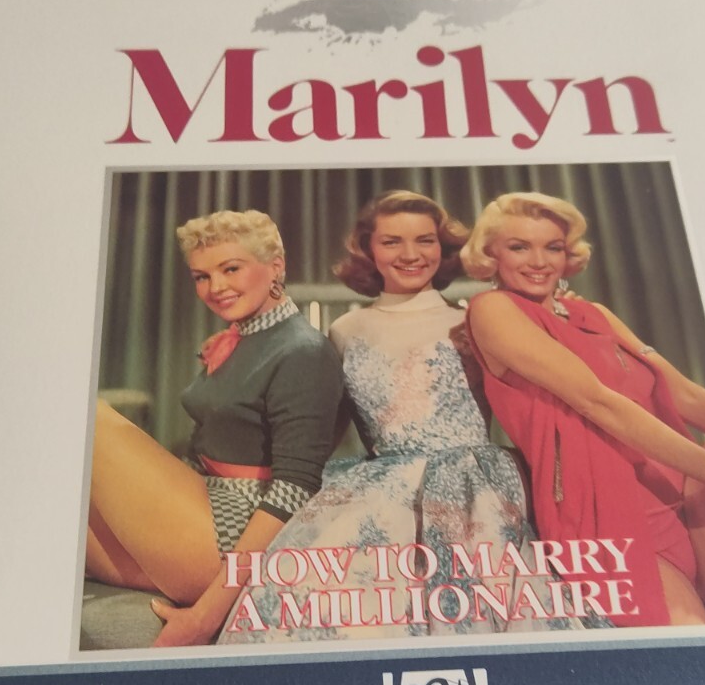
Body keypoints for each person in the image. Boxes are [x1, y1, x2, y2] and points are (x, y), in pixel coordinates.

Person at [222, 191, 576, 641]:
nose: (411, 254)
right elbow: (321, 433)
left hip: (476, 489)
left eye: (425, 240)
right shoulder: (344, 331)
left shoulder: (477, 319)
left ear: (442, 247)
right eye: (392, 242)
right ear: (368, 250)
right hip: (381, 494)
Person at [461, 192, 705, 627]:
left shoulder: (593, 313)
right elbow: (597, 402)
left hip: (682, 492)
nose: (538, 261)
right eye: (519, 247)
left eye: (553, 247)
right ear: (491, 255)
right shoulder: (493, 310)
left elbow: (686, 396)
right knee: (690, 641)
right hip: (607, 512)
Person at [86, 209, 342, 647]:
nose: (216, 287)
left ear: (275, 266)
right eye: (201, 277)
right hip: (204, 501)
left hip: (235, 534)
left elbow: (296, 488)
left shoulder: (304, 351)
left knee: (93, 416)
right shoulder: (240, 337)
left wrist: (204, 618)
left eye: (231, 269)